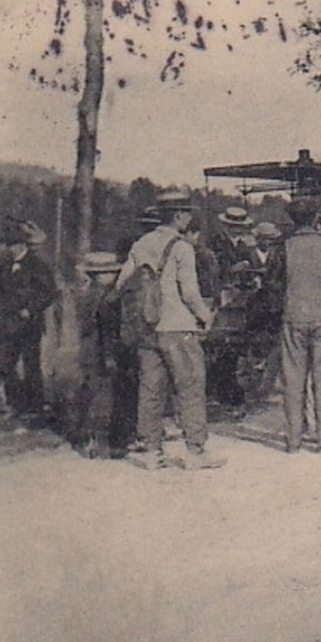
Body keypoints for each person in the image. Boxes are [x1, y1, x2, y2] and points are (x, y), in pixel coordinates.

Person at [117, 190, 224, 470]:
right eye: (187, 213)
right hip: (177, 328)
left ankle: (151, 451)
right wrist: (205, 317)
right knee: (190, 386)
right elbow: (189, 292)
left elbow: (122, 284)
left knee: (151, 389)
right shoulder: (181, 247)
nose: (189, 218)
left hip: (147, 329)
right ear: (178, 216)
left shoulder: (141, 244)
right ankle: (195, 451)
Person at [279, 197, 321, 454]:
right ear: (315, 217)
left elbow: (274, 282)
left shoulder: (284, 246)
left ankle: (293, 440)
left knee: (293, 379)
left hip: (294, 315)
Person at [0, 222, 56, 417]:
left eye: (16, 244)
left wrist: (30, 308)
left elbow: (49, 292)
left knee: (31, 366)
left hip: (28, 325)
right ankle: (16, 403)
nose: (13, 248)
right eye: (10, 245)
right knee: (4, 365)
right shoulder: (2, 265)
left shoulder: (37, 265)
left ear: (25, 245)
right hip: (6, 323)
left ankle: (35, 407)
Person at [72, 251, 128, 457]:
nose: (113, 276)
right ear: (99, 275)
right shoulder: (106, 298)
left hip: (88, 352)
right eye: (109, 273)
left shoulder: (86, 294)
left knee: (89, 393)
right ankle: (99, 443)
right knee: (102, 397)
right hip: (101, 353)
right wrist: (110, 356)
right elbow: (106, 330)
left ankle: (86, 440)